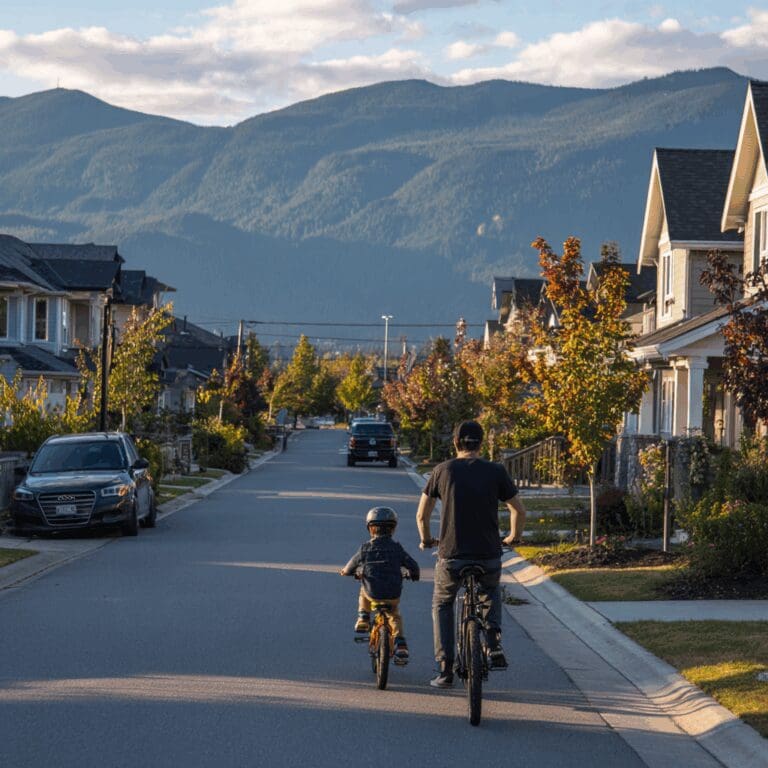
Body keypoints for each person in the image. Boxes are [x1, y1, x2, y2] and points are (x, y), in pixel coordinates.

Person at [416, 420, 527, 688]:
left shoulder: (442, 470)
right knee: (490, 591)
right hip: (488, 553)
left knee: (442, 603)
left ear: (455, 443)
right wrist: (513, 537)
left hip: (452, 555)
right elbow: (519, 510)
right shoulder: (496, 471)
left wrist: (426, 540)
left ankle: (444, 669)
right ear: (480, 444)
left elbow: (422, 514)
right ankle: (492, 641)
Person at [340, 506, 420, 664]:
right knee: (394, 616)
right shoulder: (397, 548)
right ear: (393, 528)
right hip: (393, 593)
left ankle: (363, 617)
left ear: (370, 528)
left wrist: (346, 572)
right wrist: (413, 575)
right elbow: (414, 566)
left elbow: (351, 566)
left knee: (363, 589)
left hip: (372, 592)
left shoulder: (365, 548)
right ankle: (400, 644)